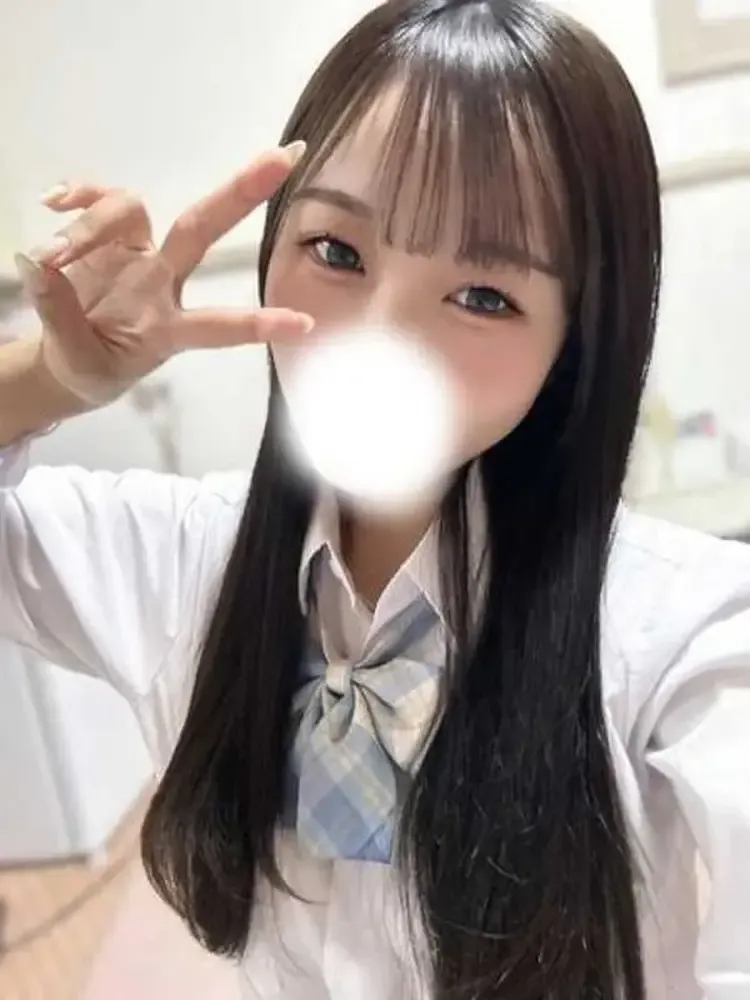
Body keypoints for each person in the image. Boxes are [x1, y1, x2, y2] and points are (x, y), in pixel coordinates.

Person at [1, 0, 748, 996]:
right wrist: (52, 378)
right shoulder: (182, 557)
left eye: (484, 296)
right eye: (338, 252)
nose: (379, 337)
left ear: (575, 343)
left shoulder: (680, 630)